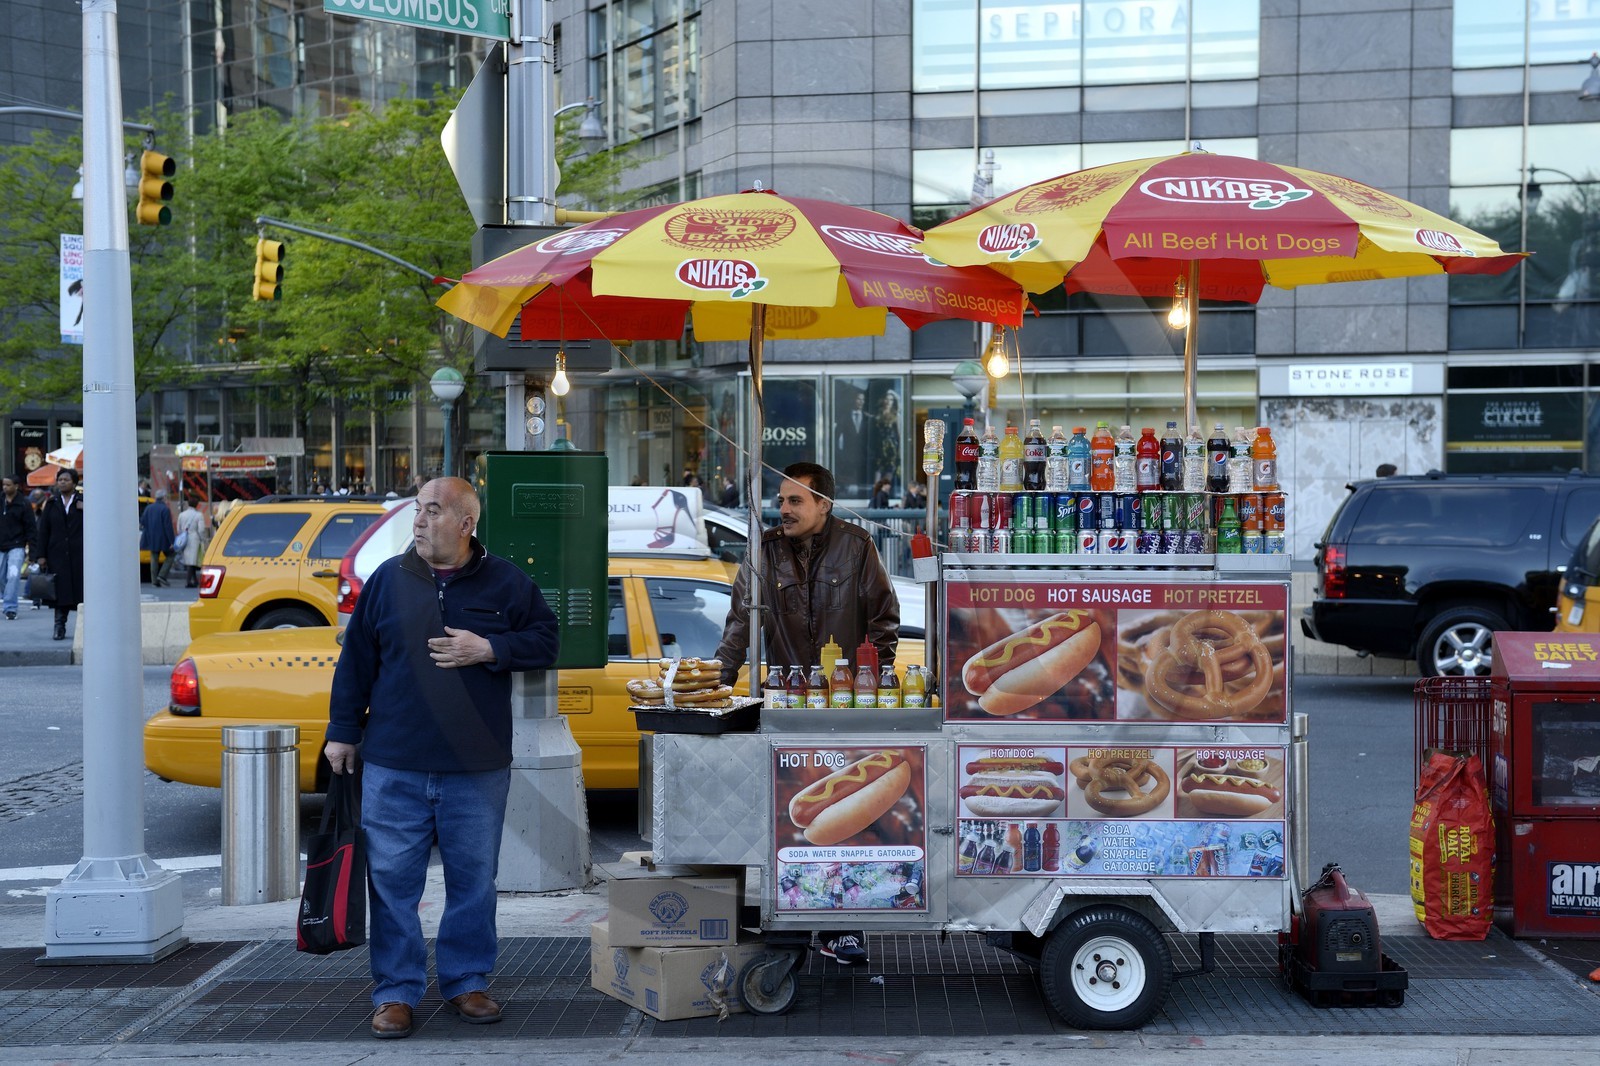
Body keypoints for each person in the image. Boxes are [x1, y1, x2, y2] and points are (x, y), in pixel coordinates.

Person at [323, 476, 560, 1041]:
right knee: (392, 885)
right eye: (418, 510)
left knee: (474, 882)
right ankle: (395, 993)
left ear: (466, 523)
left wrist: (491, 648)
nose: (420, 521)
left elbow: (548, 639)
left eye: (432, 511)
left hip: (477, 767)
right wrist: (341, 732)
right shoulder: (388, 579)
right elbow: (355, 661)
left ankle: (466, 982)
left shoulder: (507, 582)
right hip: (394, 762)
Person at [714, 462, 898, 967]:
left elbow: (884, 621)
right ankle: (794, 916)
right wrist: (716, 686)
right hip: (786, 704)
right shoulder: (764, 552)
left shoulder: (857, 546)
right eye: (782, 500)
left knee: (844, 819)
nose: (784, 509)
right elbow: (738, 625)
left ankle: (843, 926)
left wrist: (871, 689)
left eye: (795, 501)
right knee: (791, 819)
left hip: (846, 709)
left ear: (824, 505)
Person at [34, 468, 84, 641]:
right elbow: (43, 531)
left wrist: (86, 509)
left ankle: (86, 629)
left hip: (80, 555)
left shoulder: (83, 501)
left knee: (82, 593)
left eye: (66, 479)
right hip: (57, 554)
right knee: (61, 594)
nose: (62, 482)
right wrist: (41, 555)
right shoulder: (52, 503)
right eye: (60, 479)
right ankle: (59, 627)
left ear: (74, 483)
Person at [1, 475, 38, 620]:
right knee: (2, 577)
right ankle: (8, 596)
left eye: (8, 485)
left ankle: (10, 607)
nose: (5, 488)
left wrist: (33, 553)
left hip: (17, 545)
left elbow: (31, 528)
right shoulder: (0, 500)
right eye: (4, 485)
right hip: (1, 544)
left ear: (16, 486)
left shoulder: (23, 503)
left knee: (14, 575)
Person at [140, 490, 177, 586]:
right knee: (171, 555)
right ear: (164, 498)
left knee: (154, 557)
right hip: (163, 538)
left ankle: (154, 581)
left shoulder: (148, 508)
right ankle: (162, 575)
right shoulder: (165, 509)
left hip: (151, 538)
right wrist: (172, 541)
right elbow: (168, 527)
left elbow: (143, 521)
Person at [176, 495, 208, 587]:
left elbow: (178, 529)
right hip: (194, 538)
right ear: (197, 505)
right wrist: (203, 540)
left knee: (190, 561)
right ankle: (188, 581)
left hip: (185, 538)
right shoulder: (199, 515)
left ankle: (194, 580)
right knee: (193, 561)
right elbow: (201, 530)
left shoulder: (181, 515)